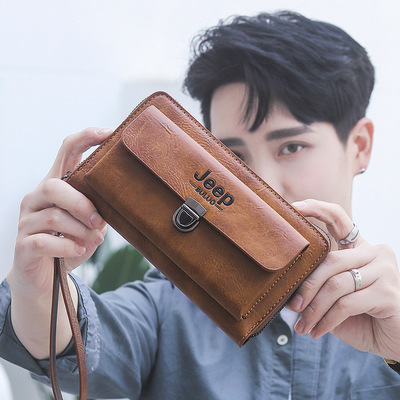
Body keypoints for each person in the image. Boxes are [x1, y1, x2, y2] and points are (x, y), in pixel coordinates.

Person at [1, 10, 400, 399]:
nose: (262, 183)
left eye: (291, 147)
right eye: (233, 157)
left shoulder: (391, 311)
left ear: (360, 146)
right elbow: (80, 344)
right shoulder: (166, 306)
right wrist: (38, 290)